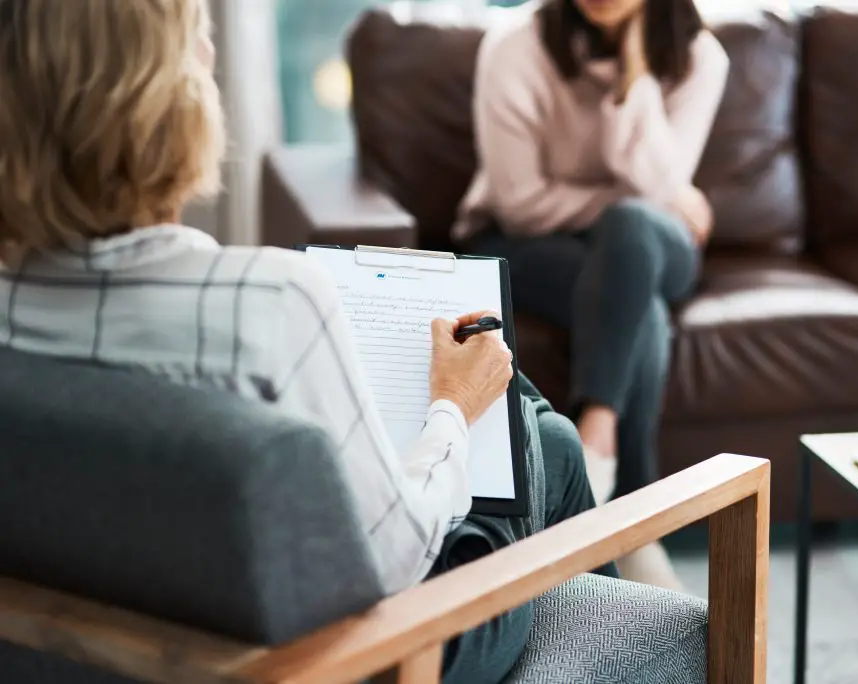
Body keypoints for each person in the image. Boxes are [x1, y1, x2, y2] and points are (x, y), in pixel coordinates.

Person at [0, 1, 614, 682]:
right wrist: (452, 408)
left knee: (530, 422)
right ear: (172, 104)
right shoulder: (274, 299)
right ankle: (633, 629)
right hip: (373, 658)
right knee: (541, 436)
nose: (210, 63)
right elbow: (397, 553)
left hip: (123, 640)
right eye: (200, 47)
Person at [455, 0, 730, 588]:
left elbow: (659, 187)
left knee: (630, 233)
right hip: (530, 242)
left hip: (649, 241)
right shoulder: (515, 47)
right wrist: (627, 212)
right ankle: (637, 527)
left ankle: (596, 431)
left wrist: (635, 80)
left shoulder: (702, 57)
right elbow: (519, 202)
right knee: (638, 304)